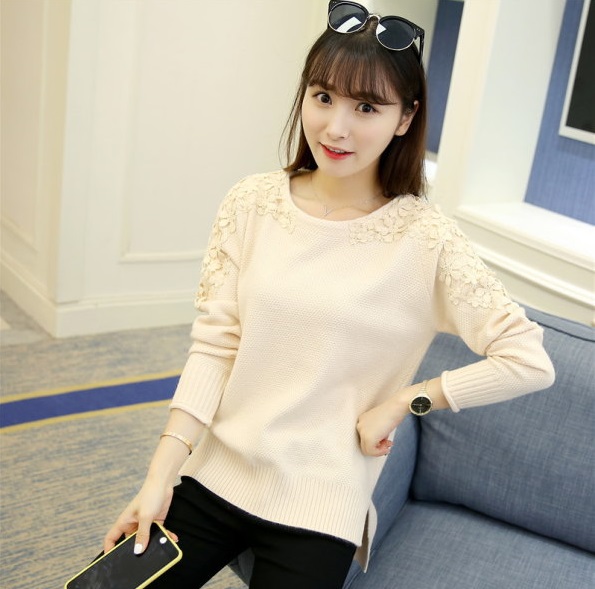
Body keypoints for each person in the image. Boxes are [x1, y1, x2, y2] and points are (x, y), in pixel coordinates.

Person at [103, 2, 555, 588]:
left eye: (366, 107)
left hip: (320, 505)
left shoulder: (427, 240)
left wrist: (407, 401)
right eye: (323, 97)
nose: (336, 128)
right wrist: (159, 477)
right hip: (217, 473)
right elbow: (215, 348)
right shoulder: (252, 202)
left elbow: (528, 361)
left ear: (405, 118)